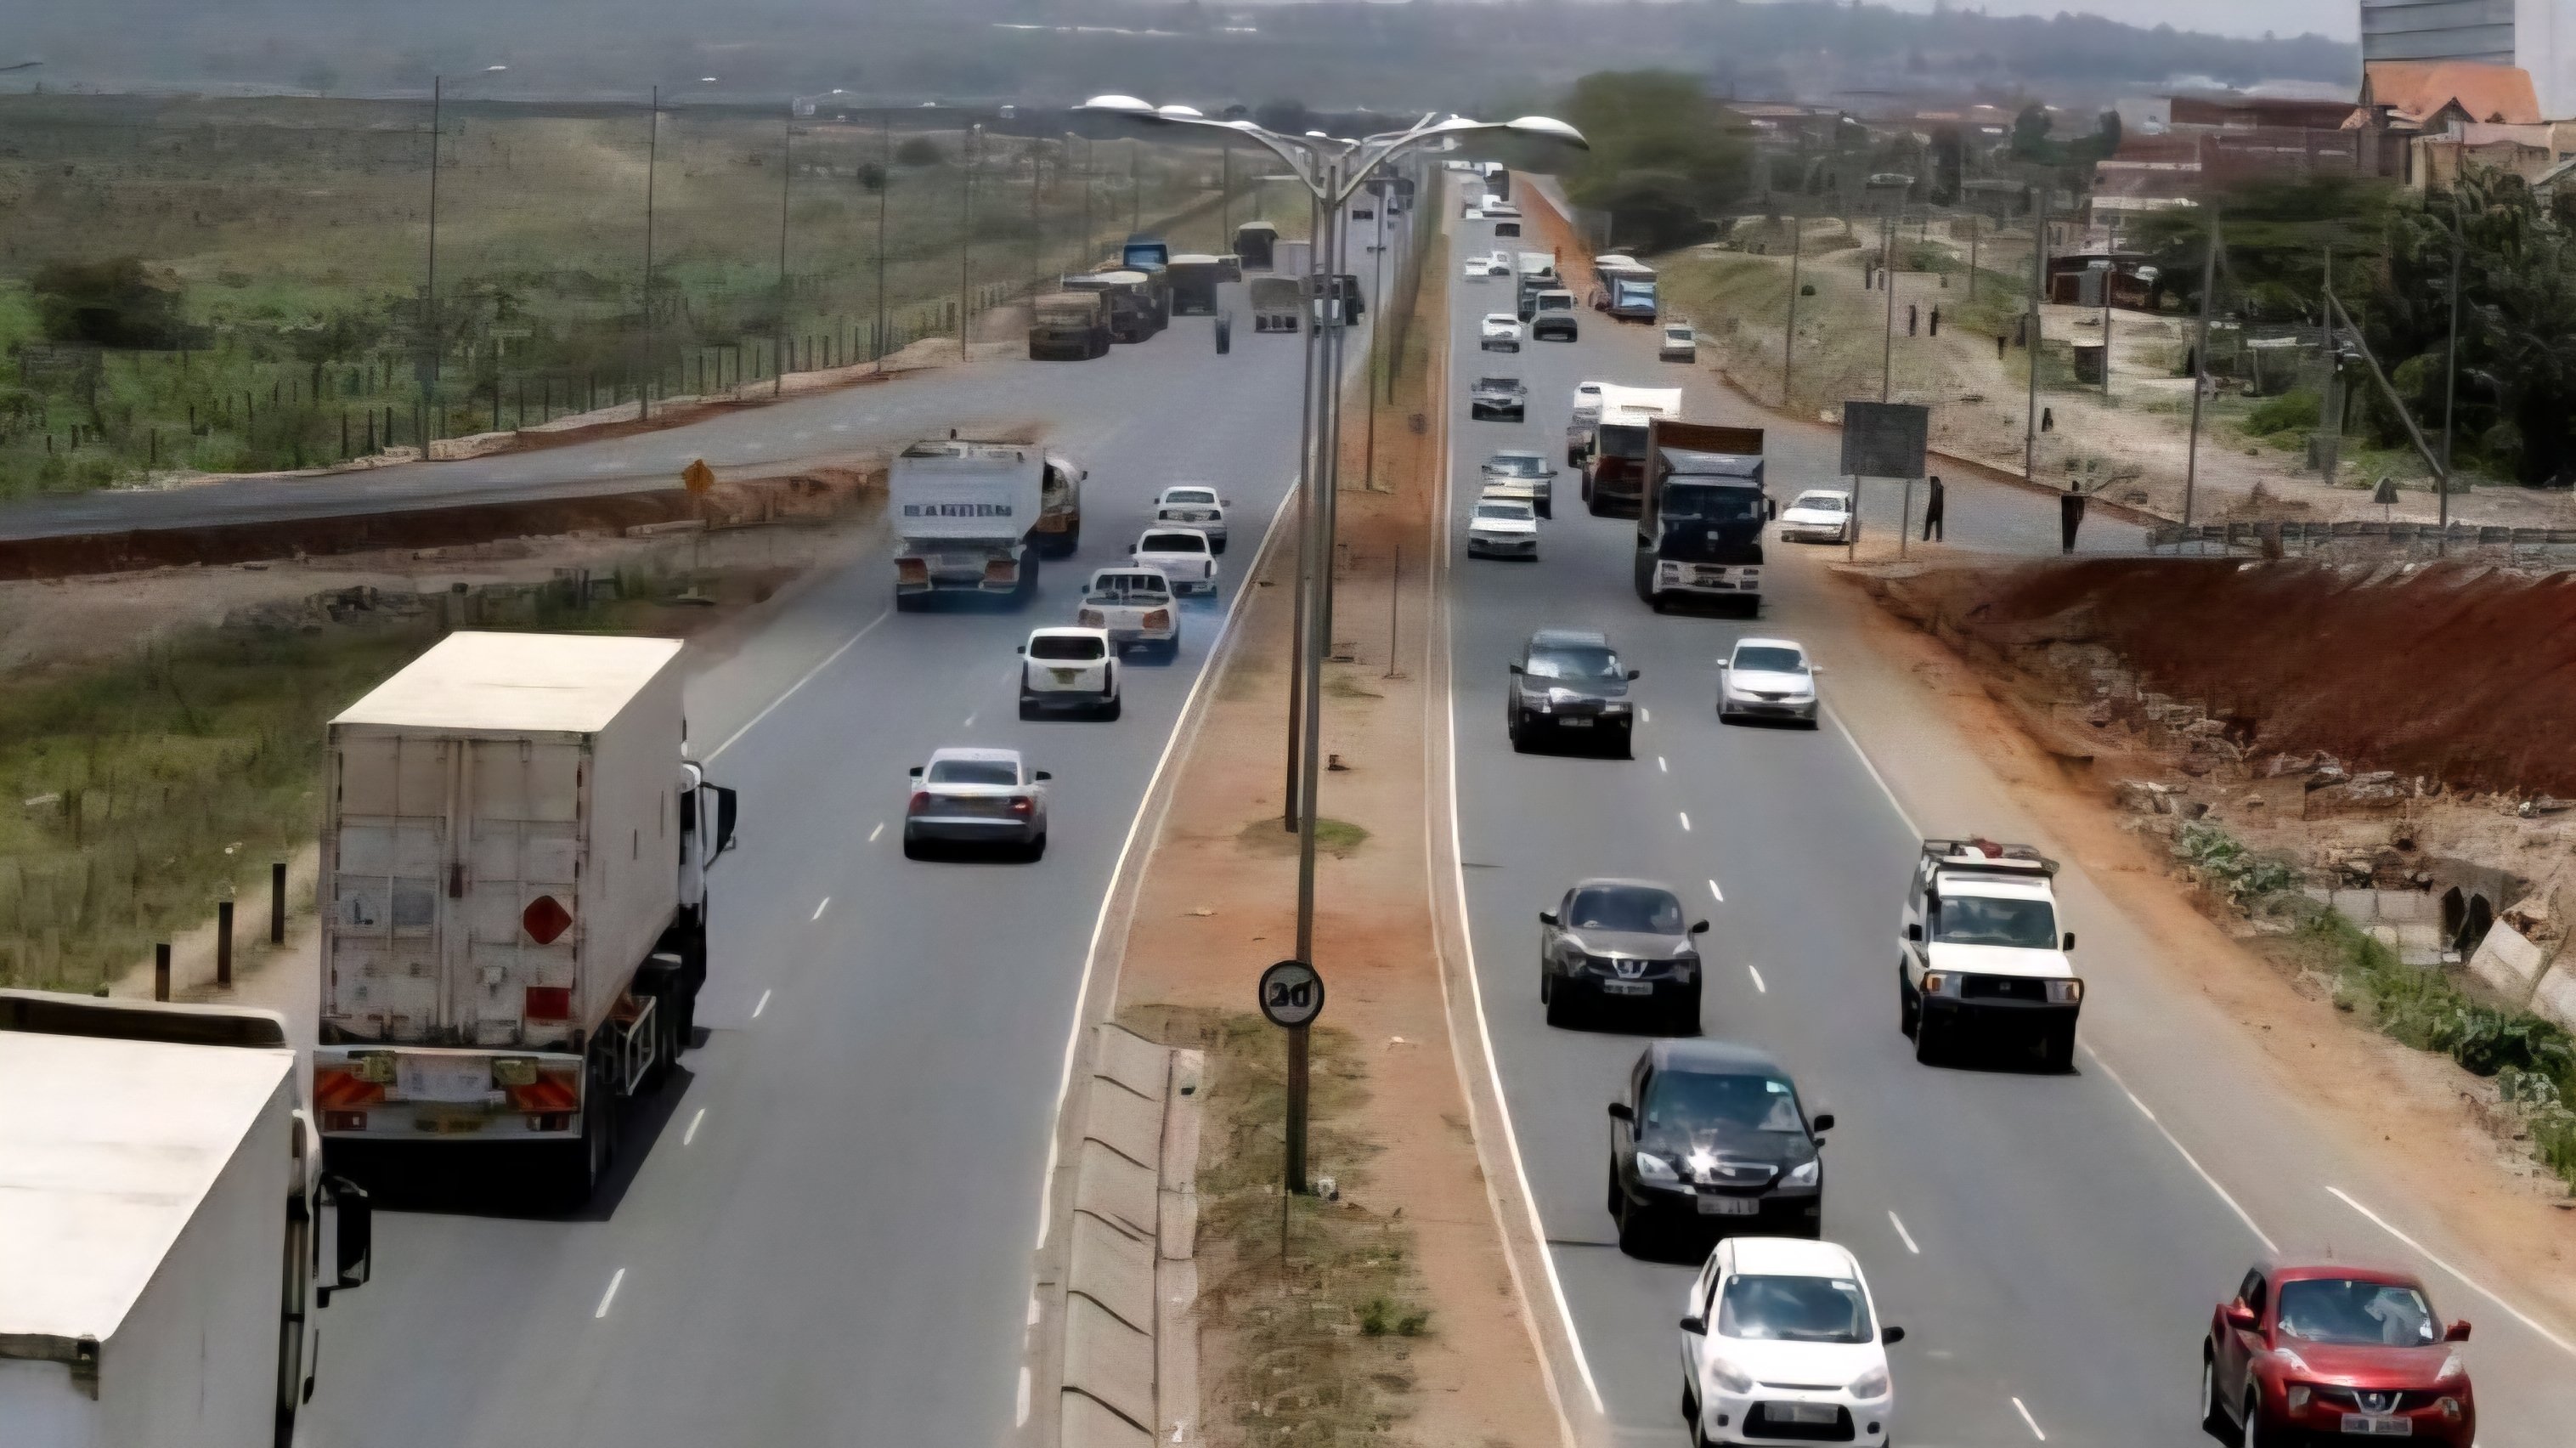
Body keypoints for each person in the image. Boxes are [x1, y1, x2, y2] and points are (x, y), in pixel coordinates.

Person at [2059, 484, 2087, 555]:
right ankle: (2070, 549)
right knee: (2072, 534)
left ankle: (2065, 549)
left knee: (2066, 533)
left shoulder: (2066, 496)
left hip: (2066, 518)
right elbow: (2081, 509)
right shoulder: (2080, 497)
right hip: (2074, 519)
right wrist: (2080, 518)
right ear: (2078, 488)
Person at [1922, 474, 1945, 541]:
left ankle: (1934, 537)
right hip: (1935, 504)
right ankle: (1934, 537)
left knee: (1936, 517)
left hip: (1936, 505)